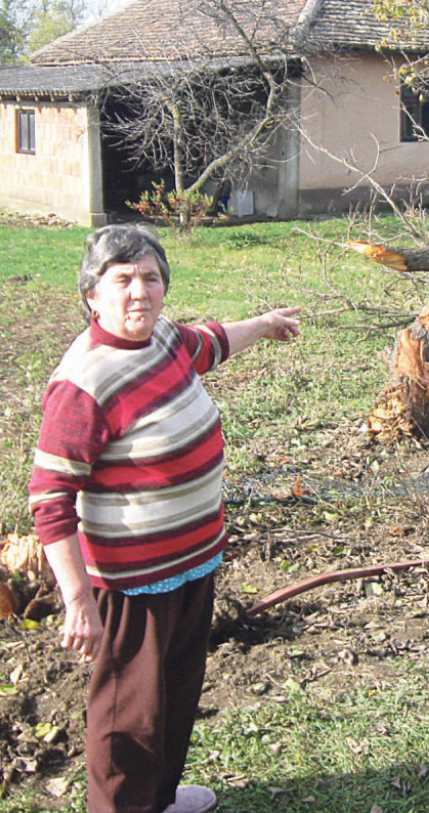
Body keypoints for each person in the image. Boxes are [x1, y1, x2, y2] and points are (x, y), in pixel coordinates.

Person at [28, 224, 300, 813]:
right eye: (122, 280)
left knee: (177, 691)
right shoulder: (84, 382)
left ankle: (160, 798)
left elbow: (211, 342)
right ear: (91, 295)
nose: (139, 293)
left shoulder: (165, 341)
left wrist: (265, 324)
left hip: (192, 561)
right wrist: (78, 600)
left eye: (150, 278)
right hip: (131, 583)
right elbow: (50, 500)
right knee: (129, 718)